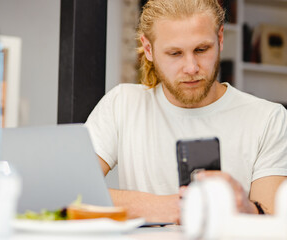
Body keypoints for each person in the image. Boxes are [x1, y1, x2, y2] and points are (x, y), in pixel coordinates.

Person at [85, 0, 287, 223]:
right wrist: (171, 208)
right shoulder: (122, 104)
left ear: (220, 39)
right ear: (149, 49)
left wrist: (247, 209)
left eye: (201, 49)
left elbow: (273, 220)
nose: (191, 68)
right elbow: (70, 189)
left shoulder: (268, 118)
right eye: (175, 53)